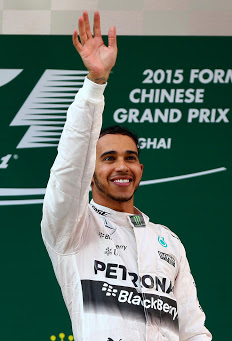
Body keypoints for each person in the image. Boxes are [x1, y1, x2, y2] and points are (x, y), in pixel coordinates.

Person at [41, 11, 211, 341]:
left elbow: (193, 330)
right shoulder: (72, 228)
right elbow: (70, 167)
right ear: (89, 174)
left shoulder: (168, 240)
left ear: (140, 170)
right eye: (108, 158)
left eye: (130, 158)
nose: (122, 166)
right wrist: (94, 84)